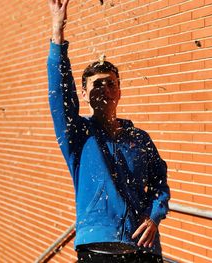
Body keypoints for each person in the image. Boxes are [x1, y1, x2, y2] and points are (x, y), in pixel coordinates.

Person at [47, 1, 170, 262]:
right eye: (96, 84)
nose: (104, 89)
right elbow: (61, 96)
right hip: (98, 250)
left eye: (110, 84)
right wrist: (58, 33)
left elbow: (160, 184)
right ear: (84, 93)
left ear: (119, 91)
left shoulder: (139, 139)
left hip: (144, 250)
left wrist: (155, 215)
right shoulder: (78, 135)